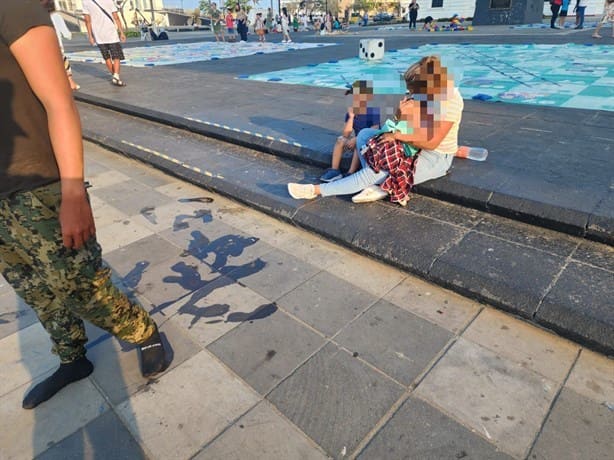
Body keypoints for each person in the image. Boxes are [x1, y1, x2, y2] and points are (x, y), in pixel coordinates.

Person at [0, 0, 170, 410]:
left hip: (37, 185)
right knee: (35, 289)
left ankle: (143, 332)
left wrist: (73, 191)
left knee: (81, 285)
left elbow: (60, 102)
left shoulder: (12, 7)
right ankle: (72, 358)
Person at [288, 55, 464, 206]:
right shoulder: (425, 93)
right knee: (364, 135)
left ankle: (315, 190)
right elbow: (402, 124)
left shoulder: (450, 101)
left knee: (376, 170)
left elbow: (431, 143)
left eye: (414, 92)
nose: (411, 95)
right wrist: (401, 114)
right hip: (411, 145)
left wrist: (396, 135)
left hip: (434, 157)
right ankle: (384, 185)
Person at [320, 81, 380, 182]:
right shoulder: (350, 113)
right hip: (355, 140)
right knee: (340, 140)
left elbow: (375, 130)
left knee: (358, 144)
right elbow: (346, 134)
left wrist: (356, 139)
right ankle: (334, 170)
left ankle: (351, 173)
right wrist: (351, 117)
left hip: (369, 141)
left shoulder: (372, 111)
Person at [82, 0, 127, 87]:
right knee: (116, 55)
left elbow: (87, 21)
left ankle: (115, 76)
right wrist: (121, 32)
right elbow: (116, 17)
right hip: (111, 33)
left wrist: (90, 36)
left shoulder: (86, 2)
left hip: (99, 35)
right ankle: (116, 76)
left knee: (107, 57)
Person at [41, 0, 80, 90]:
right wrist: (69, 36)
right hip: (56, 45)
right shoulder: (56, 16)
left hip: (44, 47)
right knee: (64, 64)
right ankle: (71, 83)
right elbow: (66, 33)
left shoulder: (39, 18)